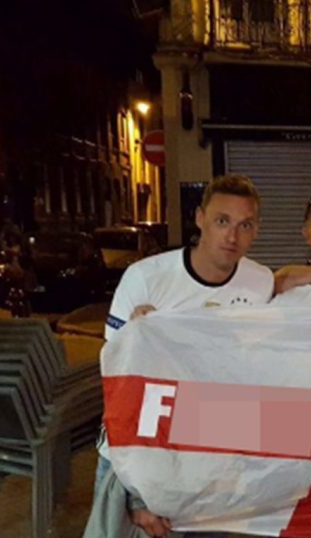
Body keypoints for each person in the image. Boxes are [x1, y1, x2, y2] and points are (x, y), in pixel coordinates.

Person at [94, 175, 275, 538]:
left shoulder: (261, 282)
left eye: (245, 225)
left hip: (212, 448)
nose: (232, 236)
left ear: (256, 230)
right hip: (145, 443)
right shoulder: (146, 278)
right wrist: (136, 496)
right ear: (199, 218)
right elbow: (119, 385)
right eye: (222, 221)